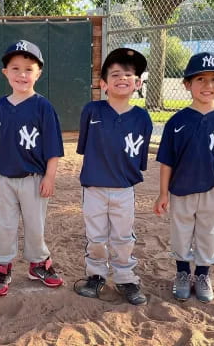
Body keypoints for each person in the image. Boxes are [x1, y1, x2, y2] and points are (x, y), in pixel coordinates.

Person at [153, 52, 214, 303]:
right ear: (187, 84)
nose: (208, 85)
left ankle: (203, 275)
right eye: (200, 79)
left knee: (208, 232)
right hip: (180, 189)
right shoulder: (177, 121)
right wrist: (163, 193)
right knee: (181, 231)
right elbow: (167, 161)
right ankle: (182, 273)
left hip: (213, 189)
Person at [0, 40, 64, 296]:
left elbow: (53, 147)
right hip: (5, 178)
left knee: (34, 224)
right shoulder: (1, 105)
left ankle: (38, 263)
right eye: (15, 68)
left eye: (29, 69)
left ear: (38, 73)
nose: (22, 74)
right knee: (3, 224)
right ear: (5, 73)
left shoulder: (43, 106)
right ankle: (3, 266)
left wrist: (49, 177)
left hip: (34, 178)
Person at [74, 48, 152, 305]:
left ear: (138, 83)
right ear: (103, 83)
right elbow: (85, 146)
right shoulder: (92, 111)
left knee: (123, 236)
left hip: (124, 188)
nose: (122, 78)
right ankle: (95, 275)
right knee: (95, 235)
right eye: (115, 74)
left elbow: (139, 160)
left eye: (129, 74)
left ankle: (125, 277)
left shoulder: (142, 118)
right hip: (94, 186)